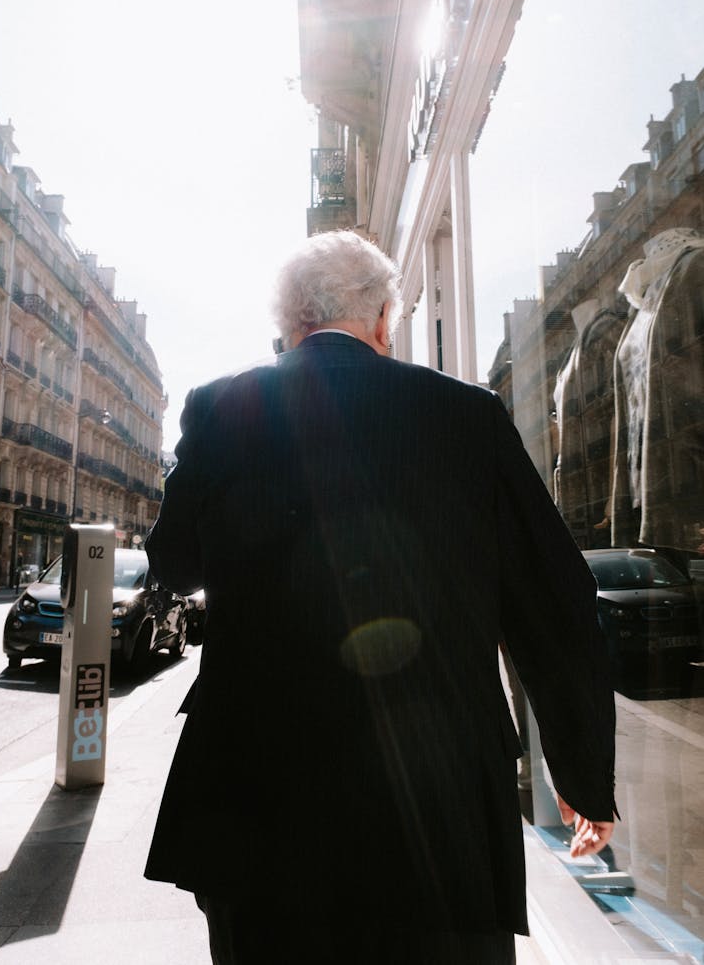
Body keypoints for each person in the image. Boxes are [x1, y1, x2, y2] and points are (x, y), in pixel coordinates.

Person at [144, 231, 616, 965]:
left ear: (291, 321)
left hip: (258, 808)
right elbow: (555, 600)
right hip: (441, 812)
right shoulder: (468, 416)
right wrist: (583, 773)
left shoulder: (218, 407)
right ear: (385, 319)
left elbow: (172, 563)